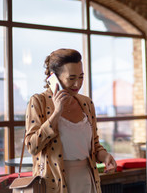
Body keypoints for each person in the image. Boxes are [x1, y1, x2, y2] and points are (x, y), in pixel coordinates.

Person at [25, 48, 116, 193]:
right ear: (54, 78)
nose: (77, 84)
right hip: (55, 183)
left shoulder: (86, 103)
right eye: (71, 78)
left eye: (81, 77)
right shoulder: (38, 102)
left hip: (87, 180)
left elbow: (95, 145)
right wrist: (56, 113)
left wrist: (105, 156)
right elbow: (32, 146)